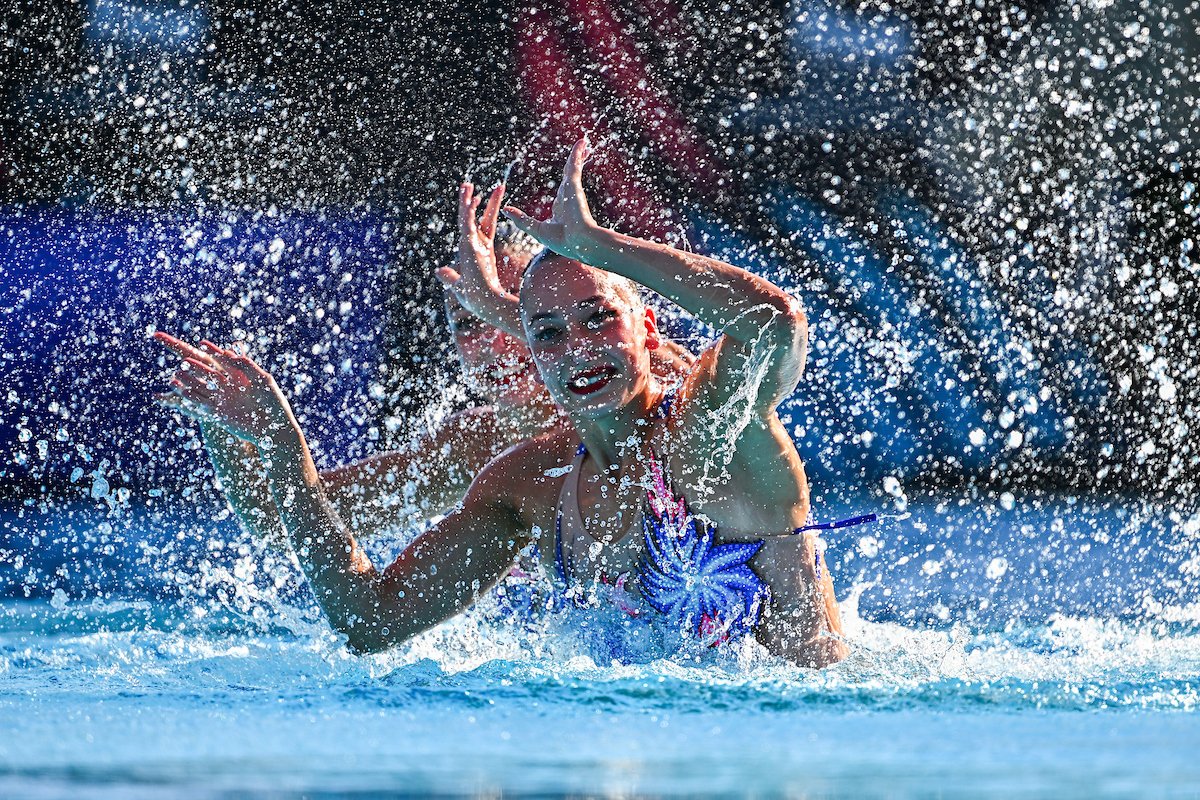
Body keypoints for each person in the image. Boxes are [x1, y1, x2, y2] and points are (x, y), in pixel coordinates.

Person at [161, 139, 847, 668]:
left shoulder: (704, 434)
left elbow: (768, 328)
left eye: (596, 318)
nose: (570, 348)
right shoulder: (518, 478)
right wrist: (279, 446)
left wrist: (599, 247)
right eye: (538, 329)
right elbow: (369, 619)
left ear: (646, 324)